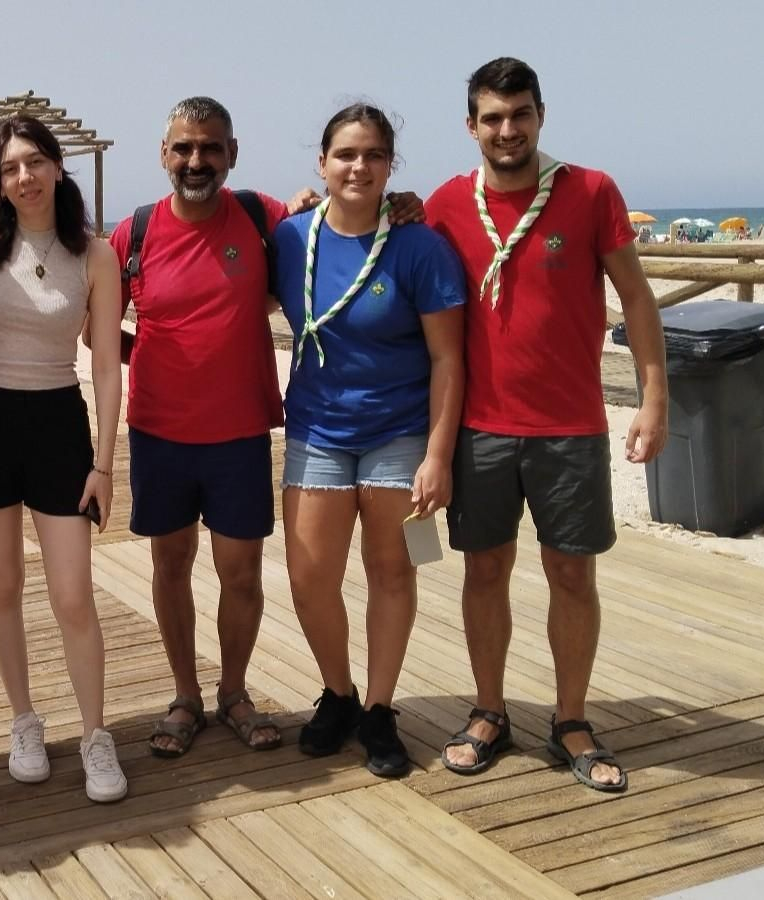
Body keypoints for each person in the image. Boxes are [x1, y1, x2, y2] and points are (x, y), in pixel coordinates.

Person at [106, 97, 422, 759]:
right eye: (184, 148)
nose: (197, 160)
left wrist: (407, 206)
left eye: (211, 148)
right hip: (159, 432)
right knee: (170, 567)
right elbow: (100, 330)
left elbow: (339, 229)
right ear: (164, 155)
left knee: (241, 574)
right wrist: (166, 357)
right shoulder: (131, 233)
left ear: (232, 154)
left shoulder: (262, 219)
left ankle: (234, 693)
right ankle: (186, 695)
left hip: (243, 432)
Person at [425, 57, 668, 793]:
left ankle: (570, 720)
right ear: (471, 126)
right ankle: (490, 712)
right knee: (485, 570)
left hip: (571, 426)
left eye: (519, 113)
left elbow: (637, 297)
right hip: (480, 428)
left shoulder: (590, 191)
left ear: (540, 116)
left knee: (571, 572)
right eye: (492, 118)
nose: (507, 129)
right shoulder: (442, 204)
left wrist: (654, 397)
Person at [272, 104, 467, 777]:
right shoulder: (290, 238)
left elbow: (448, 358)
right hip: (317, 432)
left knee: (394, 571)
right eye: (345, 155)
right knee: (309, 577)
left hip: (399, 436)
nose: (359, 167)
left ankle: (381, 710)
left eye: (373, 156)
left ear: (390, 166)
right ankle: (339, 692)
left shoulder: (420, 246)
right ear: (322, 164)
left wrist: (438, 454)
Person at [0, 115, 127, 802]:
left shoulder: (95, 253)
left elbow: (107, 366)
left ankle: (94, 734)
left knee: (72, 595)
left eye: (34, 162)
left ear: (58, 167)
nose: (23, 177)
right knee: (1, 586)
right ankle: (23, 720)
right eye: (9, 169)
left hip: (58, 422)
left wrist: (105, 464)